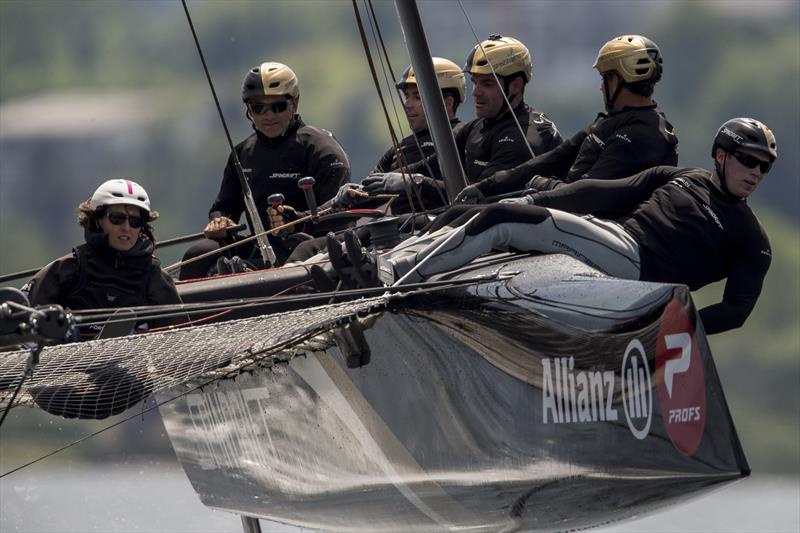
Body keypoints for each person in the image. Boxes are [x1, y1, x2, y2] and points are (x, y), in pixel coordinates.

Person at [376, 118, 776, 335]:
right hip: (612, 238)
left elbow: (735, 311)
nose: (756, 172)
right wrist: (534, 199)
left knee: (501, 220)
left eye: (764, 165)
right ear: (721, 155)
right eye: (748, 159)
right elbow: (599, 193)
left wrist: (666, 330)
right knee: (488, 211)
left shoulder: (751, 238)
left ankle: (392, 276)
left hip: (638, 268)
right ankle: (384, 259)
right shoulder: (680, 176)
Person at [455, 34, 678, 204]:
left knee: (498, 215)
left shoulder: (640, 135)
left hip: (598, 230)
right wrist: (487, 186)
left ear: (616, 80)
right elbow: (554, 158)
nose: (601, 87)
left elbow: (587, 193)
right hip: (568, 213)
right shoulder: (611, 122)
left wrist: (545, 185)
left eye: (605, 78)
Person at [179, 61, 351, 279]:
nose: (268, 115)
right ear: (248, 109)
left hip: (317, 247)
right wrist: (220, 220)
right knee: (200, 253)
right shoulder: (242, 154)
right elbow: (224, 207)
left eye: (278, 106)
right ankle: (187, 312)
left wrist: (297, 220)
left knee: (300, 251)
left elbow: (340, 215)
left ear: (295, 104)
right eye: (258, 108)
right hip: (264, 249)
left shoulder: (321, 148)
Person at [360, 35, 562, 203]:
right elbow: (433, 163)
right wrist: (368, 187)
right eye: (474, 82)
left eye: (487, 83)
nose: (476, 92)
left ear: (515, 86)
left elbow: (480, 195)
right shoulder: (479, 126)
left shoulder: (523, 136)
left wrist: (416, 183)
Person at [23, 179, 182, 336]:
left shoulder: (156, 278)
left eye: (135, 221)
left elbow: (179, 340)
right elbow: (23, 324)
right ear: (98, 220)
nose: (126, 228)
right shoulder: (68, 269)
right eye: (117, 218)